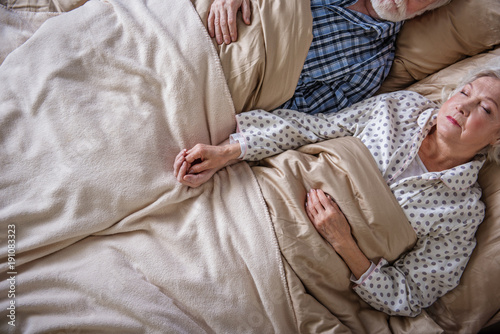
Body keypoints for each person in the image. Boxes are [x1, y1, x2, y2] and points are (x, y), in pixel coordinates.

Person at [173, 66, 500, 316]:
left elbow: (410, 293)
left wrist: (344, 242)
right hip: (273, 194)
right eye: (464, 93)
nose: (463, 107)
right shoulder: (403, 107)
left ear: (496, 139)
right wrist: (229, 151)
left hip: (309, 265)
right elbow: (320, 128)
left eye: (485, 109)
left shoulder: (463, 211)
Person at [207, 0, 450, 115]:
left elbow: (295, 113)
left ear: (424, 11)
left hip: (230, 88)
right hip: (207, 20)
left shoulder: (375, 64)